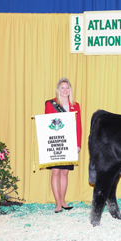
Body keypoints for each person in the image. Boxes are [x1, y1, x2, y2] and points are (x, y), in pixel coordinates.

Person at [45, 77, 82, 213]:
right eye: (62, 87)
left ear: (70, 90)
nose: (65, 90)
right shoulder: (51, 104)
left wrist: (78, 144)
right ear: (58, 89)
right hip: (56, 143)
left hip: (69, 143)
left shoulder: (75, 105)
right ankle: (57, 203)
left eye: (67, 88)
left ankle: (63, 200)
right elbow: (47, 124)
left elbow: (78, 126)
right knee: (55, 172)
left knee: (65, 173)